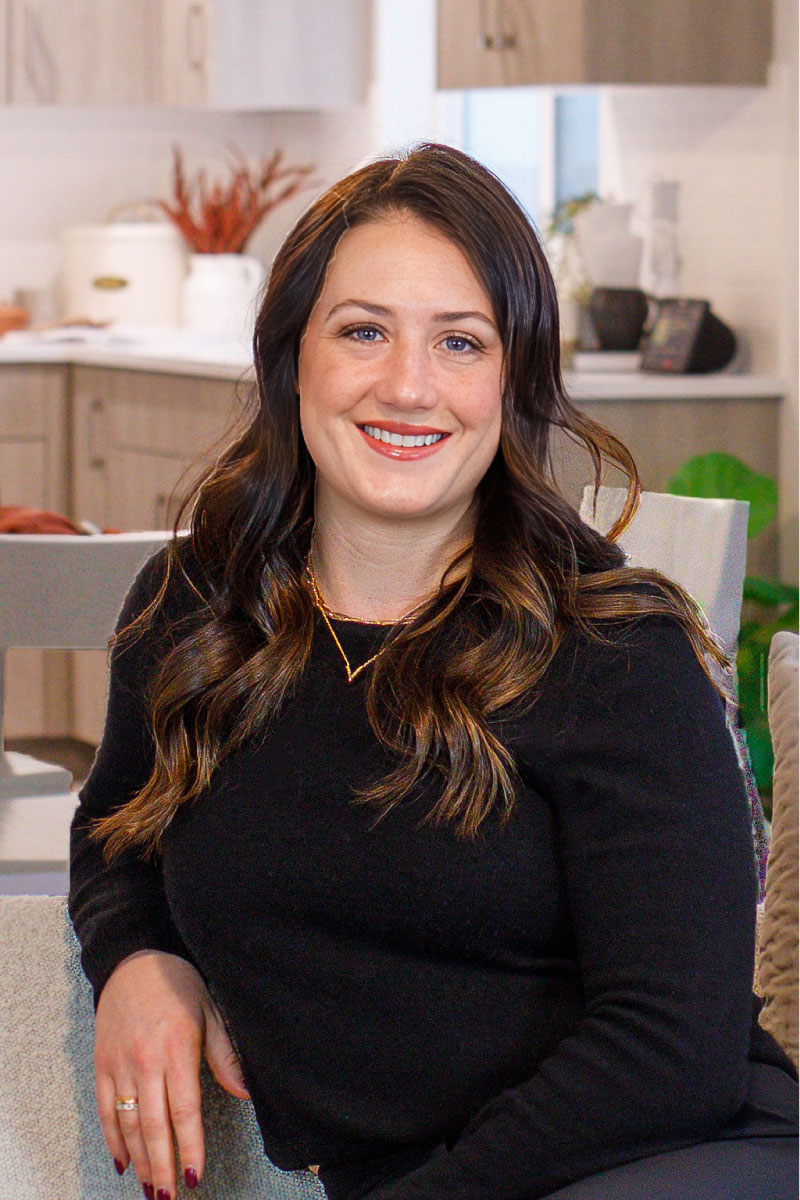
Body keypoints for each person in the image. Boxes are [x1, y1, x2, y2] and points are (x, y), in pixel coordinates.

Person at [69, 143, 798, 1200]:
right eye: (362, 331)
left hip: (678, 1162)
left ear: (515, 378)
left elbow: (669, 1051)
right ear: (291, 358)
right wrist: (136, 959)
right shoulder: (196, 609)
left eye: (461, 342)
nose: (407, 386)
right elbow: (115, 834)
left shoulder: (611, 650)